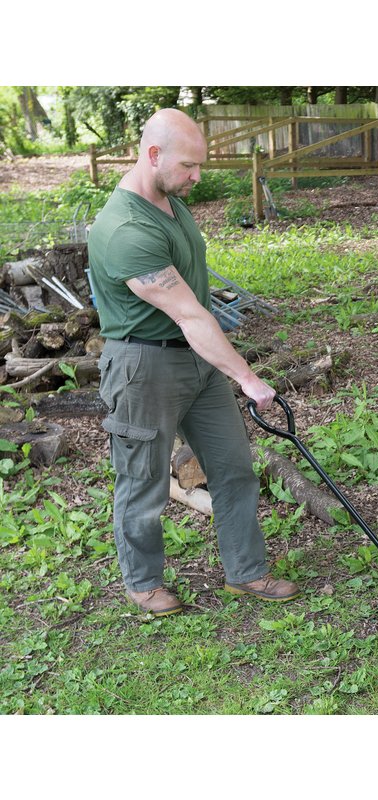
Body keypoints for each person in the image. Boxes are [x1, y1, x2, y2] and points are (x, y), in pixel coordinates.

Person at [88, 108, 299, 616]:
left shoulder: (168, 200)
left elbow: (195, 305)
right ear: (153, 155)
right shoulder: (123, 230)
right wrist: (247, 378)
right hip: (144, 367)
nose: (197, 177)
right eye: (189, 166)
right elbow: (188, 313)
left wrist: (223, 368)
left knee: (234, 469)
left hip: (198, 362)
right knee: (142, 480)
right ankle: (143, 584)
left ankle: (246, 573)